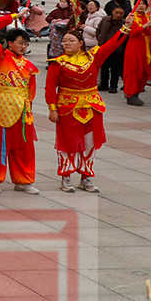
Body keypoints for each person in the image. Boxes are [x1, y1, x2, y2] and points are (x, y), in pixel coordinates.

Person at [48, 21, 129, 192]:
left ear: (81, 43)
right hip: (68, 107)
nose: (66, 44)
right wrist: (52, 108)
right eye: (64, 41)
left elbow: (112, 44)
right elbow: (50, 88)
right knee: (68, 143)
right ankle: (66, 176)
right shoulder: (57, 63)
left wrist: (125, 28)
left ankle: (86, 177)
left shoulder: (93, 57)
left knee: (89, 143)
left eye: (71, 41)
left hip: (92, 107)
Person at [0, 25, 39, 193]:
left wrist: (28, 105)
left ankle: (23, 180)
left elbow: (32, 88)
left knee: (24, 146)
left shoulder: (29, 65)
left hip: (22, 108)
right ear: (9, 43)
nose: (23, 46)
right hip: (2, 104)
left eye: (26, 44)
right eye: (20, 43)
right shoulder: (0, 58)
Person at [122, 0, 151, 106]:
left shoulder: (147, 16)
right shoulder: (131, 17)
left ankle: (136, 93)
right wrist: (146, 25)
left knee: (143, 73)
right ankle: (130, 95)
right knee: (133, 71)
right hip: (134, 48)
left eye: (143, 4)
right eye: (139, 4)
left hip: (146, 48)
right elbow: (132, 33)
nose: (141, 6)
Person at [94, 3, 128, 93]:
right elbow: (98, 30)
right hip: (104, 47)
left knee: (115, 69)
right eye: (116, 12)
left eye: (121, 13)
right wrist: (100, 39)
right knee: (104, 68)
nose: (118, 15)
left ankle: (113, 86)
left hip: (116, 50)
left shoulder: (124, 23)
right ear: (112, 12)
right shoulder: (105, 19)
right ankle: (104, 84)